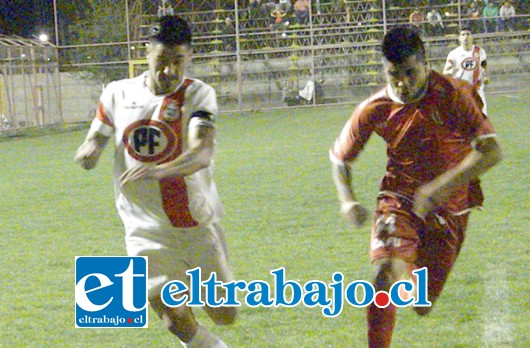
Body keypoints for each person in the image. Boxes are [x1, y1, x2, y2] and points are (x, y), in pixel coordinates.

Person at [329, 26, 502, 348]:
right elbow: (340, 159)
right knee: (383, 277)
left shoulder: (454, 94)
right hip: (398, 199)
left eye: (410, 73)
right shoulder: (375, 108)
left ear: (425, 63)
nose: (402, 83)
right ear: (385, 70)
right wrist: (347, 201)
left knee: (421, 303)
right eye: (394, 74)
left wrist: (440, 188)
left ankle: (409, 275)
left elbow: (491, 151)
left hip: (452, 207)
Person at [74, 15, 237, 347]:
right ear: (146, 53)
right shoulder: (117, 93)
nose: (170, 71)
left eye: (178, 61)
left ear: (189, 57)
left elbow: (201, 153)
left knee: (225, 314)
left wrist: (158, 170)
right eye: (162, 60)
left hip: (196, 223)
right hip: (144, 229)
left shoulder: (198, 94)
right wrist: (88, 152)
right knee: (172, 316)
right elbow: (96, 138)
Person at [443, 27, 489, 114]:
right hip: (461, 92)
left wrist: (485, 76)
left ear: (472, 37)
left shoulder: (479, 51)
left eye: (468, 34)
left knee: (482, 117)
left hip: (477, 90)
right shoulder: (454, 54)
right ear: (459, 38)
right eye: (463, 34)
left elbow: (484, 64)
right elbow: (446, 72)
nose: (466, 37)